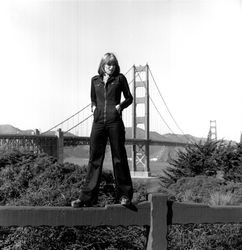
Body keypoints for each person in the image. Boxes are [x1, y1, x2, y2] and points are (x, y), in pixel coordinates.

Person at [71, 52, 133, 207]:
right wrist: (93, 107)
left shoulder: (120, 79)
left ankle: (124, 196)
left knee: (119, 158)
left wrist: (120, 106)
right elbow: (93, 98)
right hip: (98, 122)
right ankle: (86, 199)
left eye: (113, 64)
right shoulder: (95, 80)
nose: (110, 67)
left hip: (114, 122)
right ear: (102, 65)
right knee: (94, 159)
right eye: (108, 64)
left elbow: (129, 98)